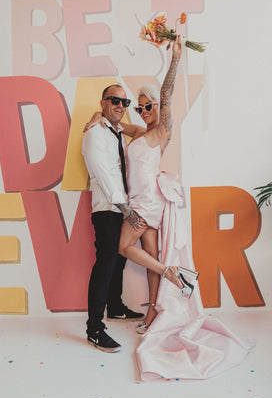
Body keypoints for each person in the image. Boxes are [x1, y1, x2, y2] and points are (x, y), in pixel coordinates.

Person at [85, 37, 252, 380]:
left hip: (148, 204)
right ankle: (152, 315)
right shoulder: (134, 132)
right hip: (140, 202)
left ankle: (171, 274)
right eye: (140, 106)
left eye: (149, 106)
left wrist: (173, 60)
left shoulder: (161, 131)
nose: (145, 111)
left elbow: (168, 95)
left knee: (122, 248)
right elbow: (111, 123)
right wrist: (94, 115)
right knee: (146, 258)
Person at [81, 84, 146, 353]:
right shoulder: (95, 134)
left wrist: (105, 115)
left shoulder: (116, 132)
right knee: (106, 262)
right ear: (103, 101)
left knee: (119, 258)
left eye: (125, 101)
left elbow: (145, 132)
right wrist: (126, 209)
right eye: (114, 100)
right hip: (108, 207)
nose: (120, 105)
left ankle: (115, 308)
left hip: (121, 207)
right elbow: (105, 176)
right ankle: (94, 329)